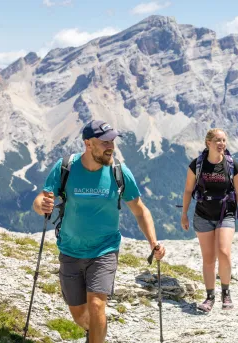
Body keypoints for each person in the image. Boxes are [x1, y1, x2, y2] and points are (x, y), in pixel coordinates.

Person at [33, 120, 166, 343]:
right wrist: (41, 206)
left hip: (105, 250)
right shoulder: (66, 167)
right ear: (88, 144)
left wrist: (153, 242)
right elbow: (42, 198)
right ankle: (96, 332)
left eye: (112, 140)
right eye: (104, 142)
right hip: (70, 250)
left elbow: (140, 211)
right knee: (80, 315)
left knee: (97, 305)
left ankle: (97, 334)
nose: (110, 146)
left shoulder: (119, 172)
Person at [180, 128, 238, 312]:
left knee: (224, 252)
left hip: (225, 214)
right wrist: (184, 213)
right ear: (208, 143)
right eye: (218, 140)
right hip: (203, 214)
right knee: (209, 258)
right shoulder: (197, 164)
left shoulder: (233, 164)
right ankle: (210, 297)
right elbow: (188, 190)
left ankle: (226, 292)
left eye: (224, 140)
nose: (222, 143)